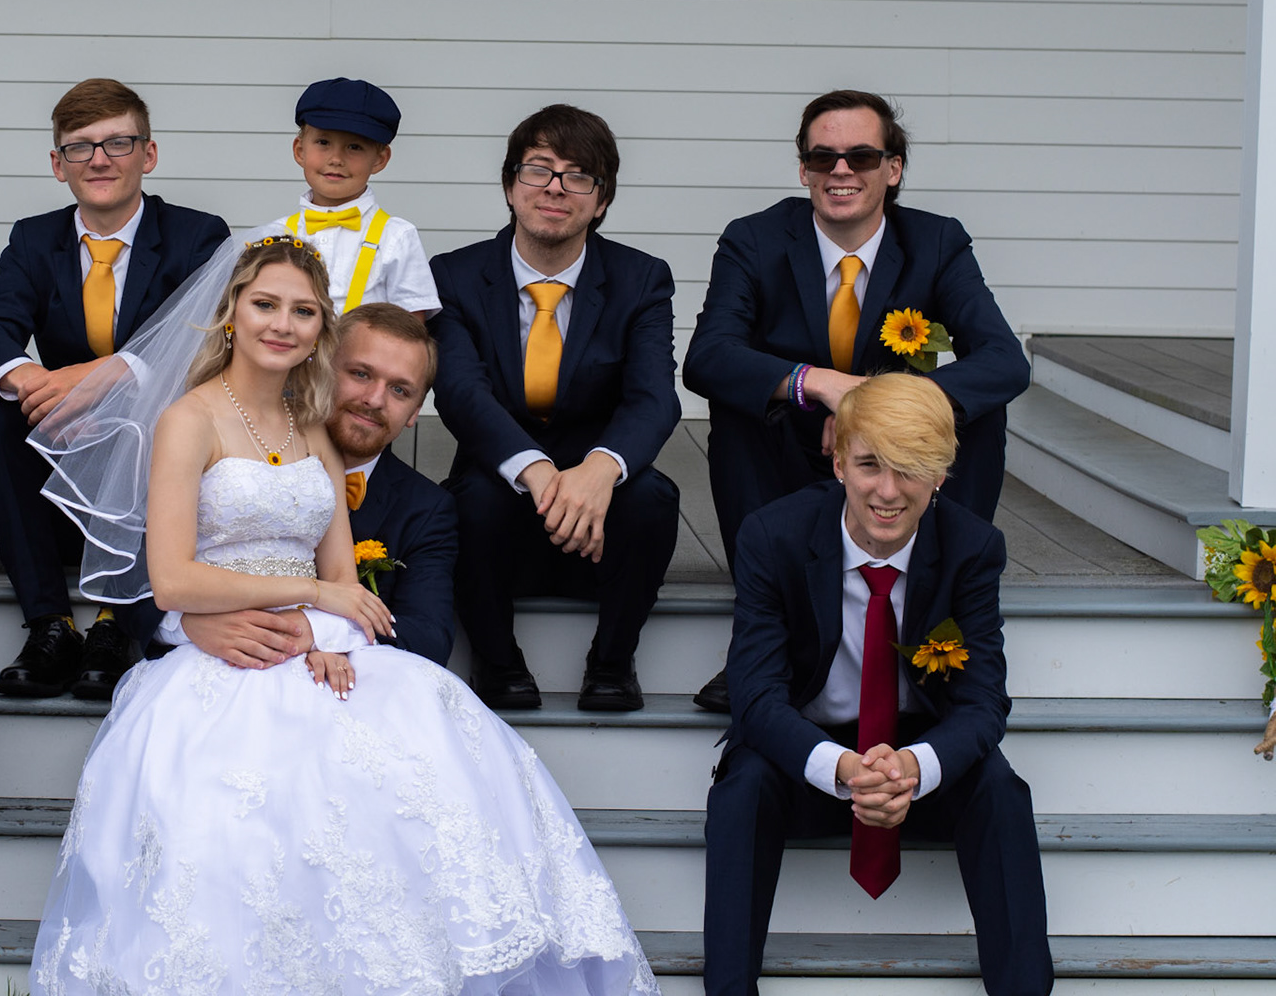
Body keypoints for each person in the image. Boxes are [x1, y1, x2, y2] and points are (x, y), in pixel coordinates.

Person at [28, 237, 657, 996]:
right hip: (219, 664)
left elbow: (339, 576)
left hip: (315, 651)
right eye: (266, 304)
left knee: (412, 765)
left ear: (318, 329)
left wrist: (327, 632)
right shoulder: (188, 420)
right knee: (239, 820)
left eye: (302, 311)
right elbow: (169, 580)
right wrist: (285, 608)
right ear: (232, 310)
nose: (282, 324)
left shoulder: (312, 431)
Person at [682, 89, 1029, 714]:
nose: (840, 170)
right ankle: (762, 642)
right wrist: (819, 384)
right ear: (803, 170)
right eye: (823, 157)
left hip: (892, 459)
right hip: (796, 450)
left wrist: (879, 408)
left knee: (977, 413)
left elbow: (1004, 360)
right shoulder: (755, 239)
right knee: (738, 410)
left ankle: (939, 614)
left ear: (893, 169)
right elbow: (707, 357)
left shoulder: (937, 242)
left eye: (861, 157)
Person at [704, 373, 1051, 996]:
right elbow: (755, 696)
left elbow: (982, 702)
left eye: (910, 469)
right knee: (743, 786)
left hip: (914, 764)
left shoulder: (972, 549)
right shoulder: (773, 537)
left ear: (941, 474)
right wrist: (843, 769)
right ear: (838, 462)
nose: (887, 492)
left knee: (1001, 789)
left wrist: (912, 769)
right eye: (869, 465)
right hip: (809, 758)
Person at [0, 78, 229, 699]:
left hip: (154, 456)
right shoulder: (34, 238)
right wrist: (33, 383)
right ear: (59, 165)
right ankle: (49, 623)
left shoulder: (197, 235)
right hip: (63, 455)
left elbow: (207, 340)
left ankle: (115, 620)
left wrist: (109, 381)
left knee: (166, 411)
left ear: (148, 154)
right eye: (80, 147)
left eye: (118, 143)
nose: (100, 159)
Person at [428, 104, 681, 712]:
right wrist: (537, 472)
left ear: (602, 199)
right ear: (510, 185)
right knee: (469, 499)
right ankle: (498, 663)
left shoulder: (641, 279)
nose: (555, 188)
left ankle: (612, 663)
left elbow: (653, 396)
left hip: (601, 508)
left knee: (653, 497)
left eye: (579, 176)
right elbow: (461, 391)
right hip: (503, 487)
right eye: (538, 169)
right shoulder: (454, 275)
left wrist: (600, 470)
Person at [163, 301, 458, 668]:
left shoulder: (426, 509)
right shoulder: (220, 450)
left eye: (400, 390)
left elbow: (429, 635)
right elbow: (140, 584)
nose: (374, 399)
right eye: (360, 374)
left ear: (415, 411)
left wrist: (317, 630)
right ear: (322, 367)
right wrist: (187, 625)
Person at [274, 76, 440, 316]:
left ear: (380, 159)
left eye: (354, 147)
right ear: (300, 151)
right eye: (323, 142)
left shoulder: (397, 236)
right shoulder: (274, 235)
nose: (336, 159)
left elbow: (412, 325)